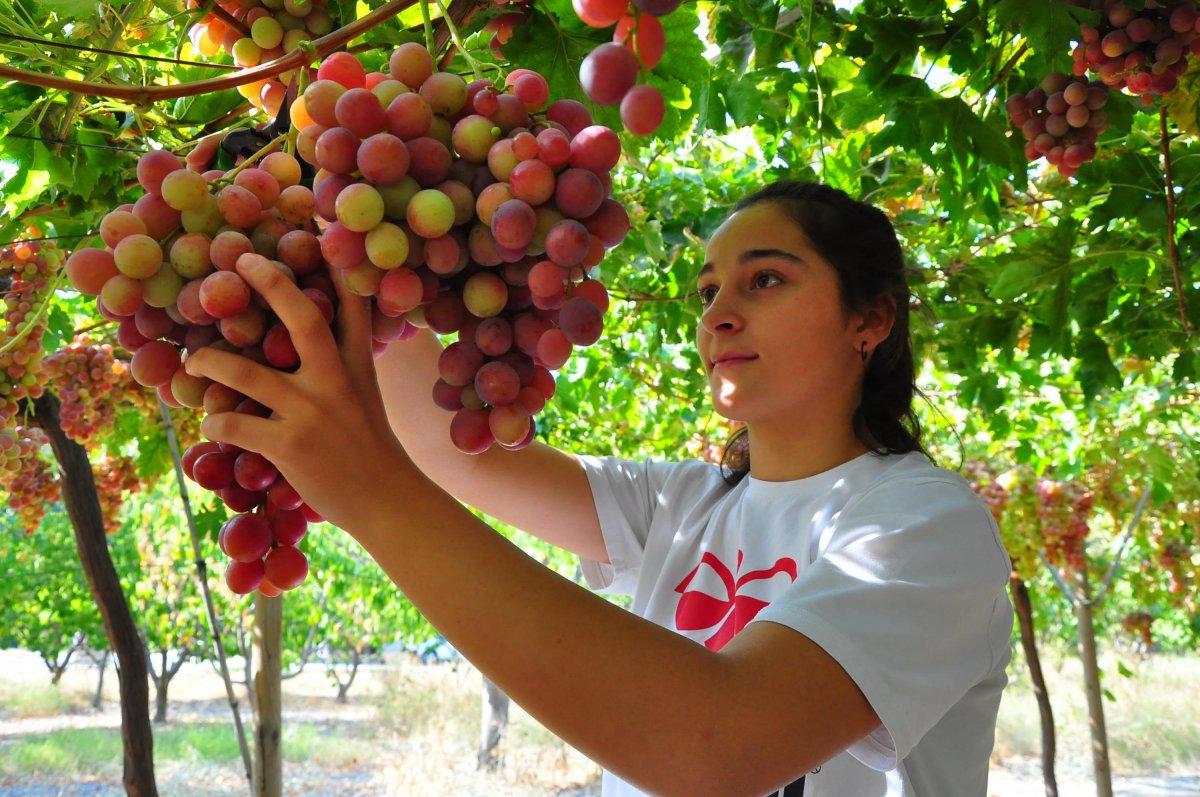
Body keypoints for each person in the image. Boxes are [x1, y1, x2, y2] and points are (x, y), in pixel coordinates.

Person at [185, 180, 1014, 796]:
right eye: (709, 290)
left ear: (871, 320)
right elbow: (452, 450)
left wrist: (372, 492)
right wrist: (344, 227)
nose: (718, 313)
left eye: (764, 279)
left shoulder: (925, 525)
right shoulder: (680, 507)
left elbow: (719, 745)